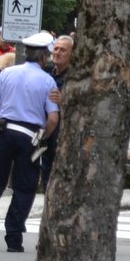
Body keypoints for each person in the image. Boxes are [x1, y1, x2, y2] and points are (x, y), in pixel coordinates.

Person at [0, 32, 60, 252]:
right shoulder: (48, 81)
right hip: (30, 137)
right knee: (24, 188)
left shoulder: (7, 73)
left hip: (4, 133)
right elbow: (53, 118)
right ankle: (14, 238)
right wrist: (43, 138)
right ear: (43, 58)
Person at [39, 35, 73, 191]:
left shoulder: (76, 78)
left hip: (66, 135)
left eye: (62, 50)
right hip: (46, 131)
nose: (57, 52)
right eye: (56, 48)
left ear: (72, 54)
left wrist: (64, 100)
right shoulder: (46, 73)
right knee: (45, 170)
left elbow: (87, 106)